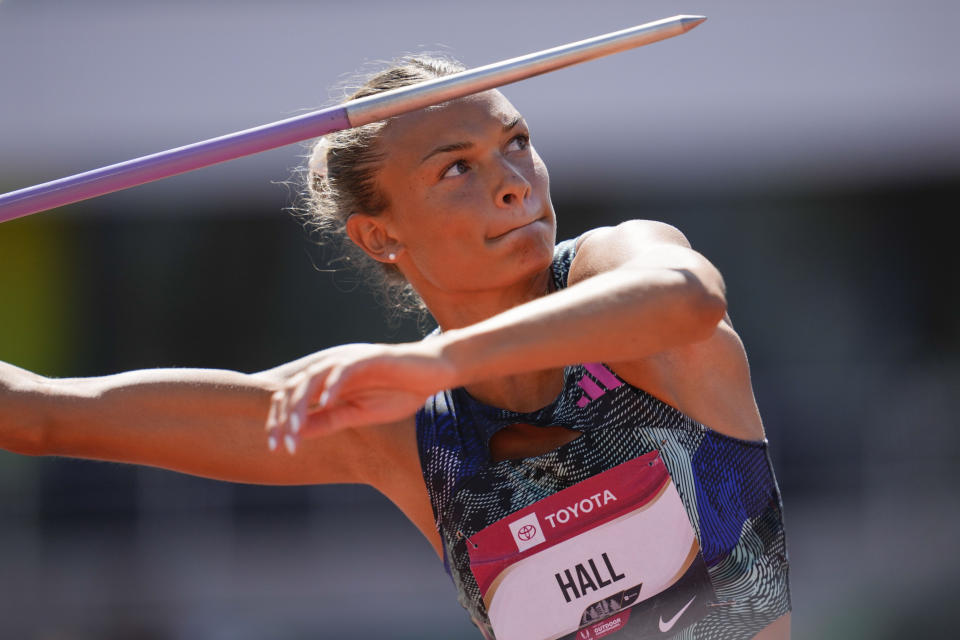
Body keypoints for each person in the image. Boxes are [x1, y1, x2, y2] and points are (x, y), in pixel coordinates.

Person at [0, 56, 791, 639]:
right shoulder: (400, 425)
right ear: (381, 236)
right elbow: (38, 417)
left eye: (517, 142)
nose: (517, 181)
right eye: (458, 168)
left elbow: (690, 298)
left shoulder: (614, 271)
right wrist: (433, 374)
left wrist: (442, 361)